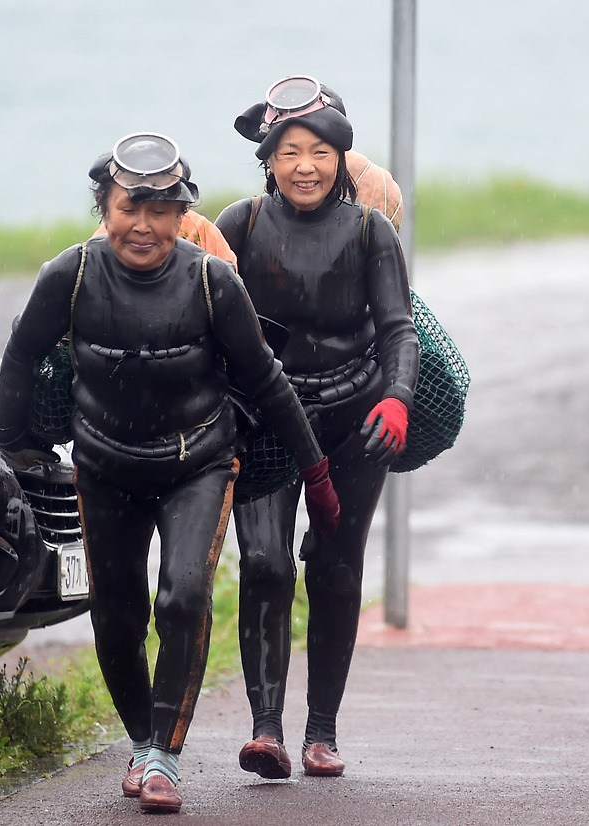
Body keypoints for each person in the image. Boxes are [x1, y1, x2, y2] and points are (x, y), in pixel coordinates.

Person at [0, 132, 340, 813]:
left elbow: (266, 381)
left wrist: (317, 474)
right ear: (105, 208)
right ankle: (141, 740)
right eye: (130, 208)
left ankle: (163, 757)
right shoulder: (70, 275)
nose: (144, 226)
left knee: (182, 596)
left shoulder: (212, 282)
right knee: (116, 615)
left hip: (198, 463)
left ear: (183, 214)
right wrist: (14, 451)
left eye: (161, 211)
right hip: (104, 465)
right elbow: (20, 355)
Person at [214, 75, 418, 779]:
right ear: (268, 158)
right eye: (290, 152)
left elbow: (399, 329)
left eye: (320, 152)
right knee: (266, 564)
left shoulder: (370, 230)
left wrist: (396, 398)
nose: (306, 167)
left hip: (354, 419)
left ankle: (321, 731)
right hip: (267, 420)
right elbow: (207, 324)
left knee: (334, 569)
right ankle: (265, 730)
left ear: (341, 157)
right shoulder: (239, 226)